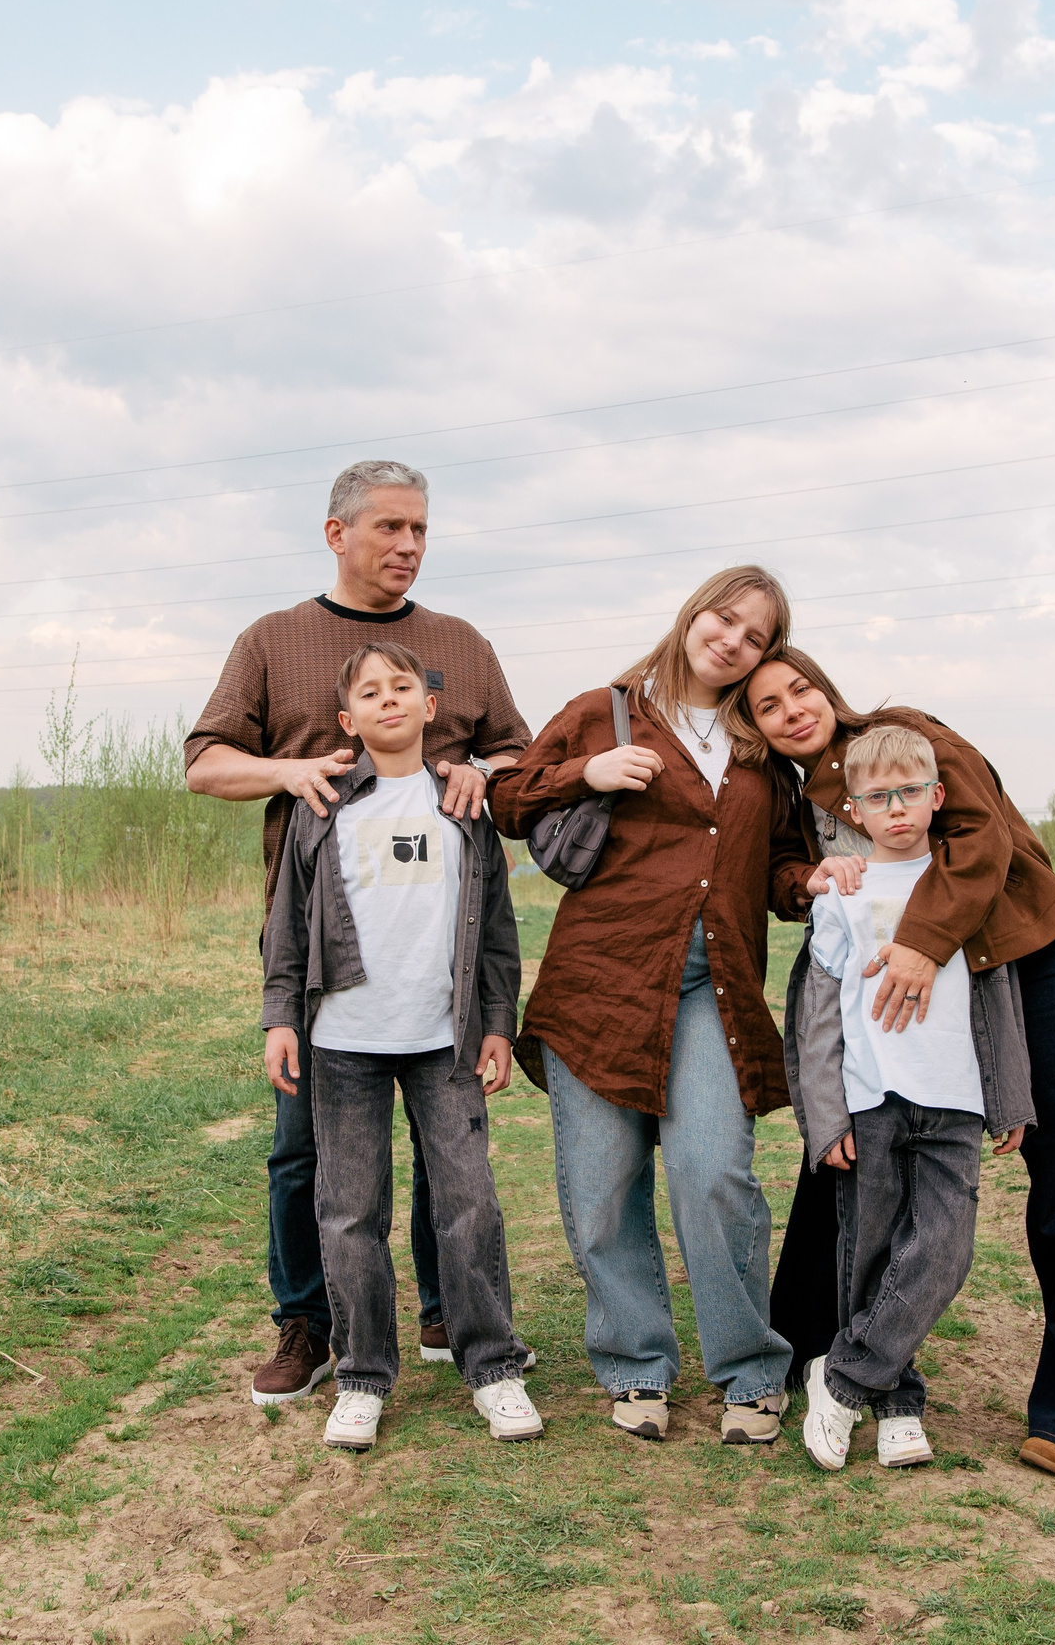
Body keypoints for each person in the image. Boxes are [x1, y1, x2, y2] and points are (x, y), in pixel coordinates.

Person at [185, 460, 533, 1406]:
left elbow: (520, 750)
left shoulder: (459, 641)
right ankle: (310, 1322)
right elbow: (205, 762)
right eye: (389, 528)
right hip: (319, 938)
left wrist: (487, 774)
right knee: (309, 1150)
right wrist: (287, 771)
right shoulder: (274, 638)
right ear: (337, 533)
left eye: (420, 529)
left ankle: (445, 1312)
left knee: (442, 1142)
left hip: (437, 941)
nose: (409, 545)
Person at [739, 648, 1055, 1479]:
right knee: (844, 1160)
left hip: (1030, 958)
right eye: (768, 704)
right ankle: (816, 1353)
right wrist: (811, 874)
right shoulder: (795, 797)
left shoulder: (906, 736)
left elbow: (983, 834)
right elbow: (778, 880)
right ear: (755, 727)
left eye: (801, 687)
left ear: (826, 688)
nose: (793, 709)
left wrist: (923, 941)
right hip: (899, 1006)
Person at [485, 565, 806, 1446]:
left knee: (714, 1175)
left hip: (716, 985)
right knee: (602, 1190)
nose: (732, 640)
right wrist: (585, 770)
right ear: (693, 613)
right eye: (724, 618)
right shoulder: (607, 709)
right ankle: (636, 1363)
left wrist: (815, 882)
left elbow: (781, 862)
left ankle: (751, 1370)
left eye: (755, 636)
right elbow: (507, 798)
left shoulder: (760, 744)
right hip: (603, 980)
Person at [261, 642, 541, 1450]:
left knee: (467, 1201)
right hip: (342, 1040)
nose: (388, 699)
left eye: (402, 686)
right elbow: (286, 925)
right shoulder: (322, 807)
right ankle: (361, 1375)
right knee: (351, 1211)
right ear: (347, 719)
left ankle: (494, 1365)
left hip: (443, 1040)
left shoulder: (462, 804)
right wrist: (281, 1017)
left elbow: (495, 929)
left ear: (430, 706)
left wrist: (498, 1021)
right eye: (370, 691)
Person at [780, 723, 1034, 1471]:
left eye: (910, 792)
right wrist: (824, 1115)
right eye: (879, 797)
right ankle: (898, 1403)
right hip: (872, 1100)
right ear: (854, 809)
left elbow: (998, 998)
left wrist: (1010, 1097)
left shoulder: (963, 887)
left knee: (944, 1251)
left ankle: (842, 1378)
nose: (896, 808)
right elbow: (818, 1016)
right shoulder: (845, 893)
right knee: (870, 1254)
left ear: (938, 796)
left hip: (954, 1098)